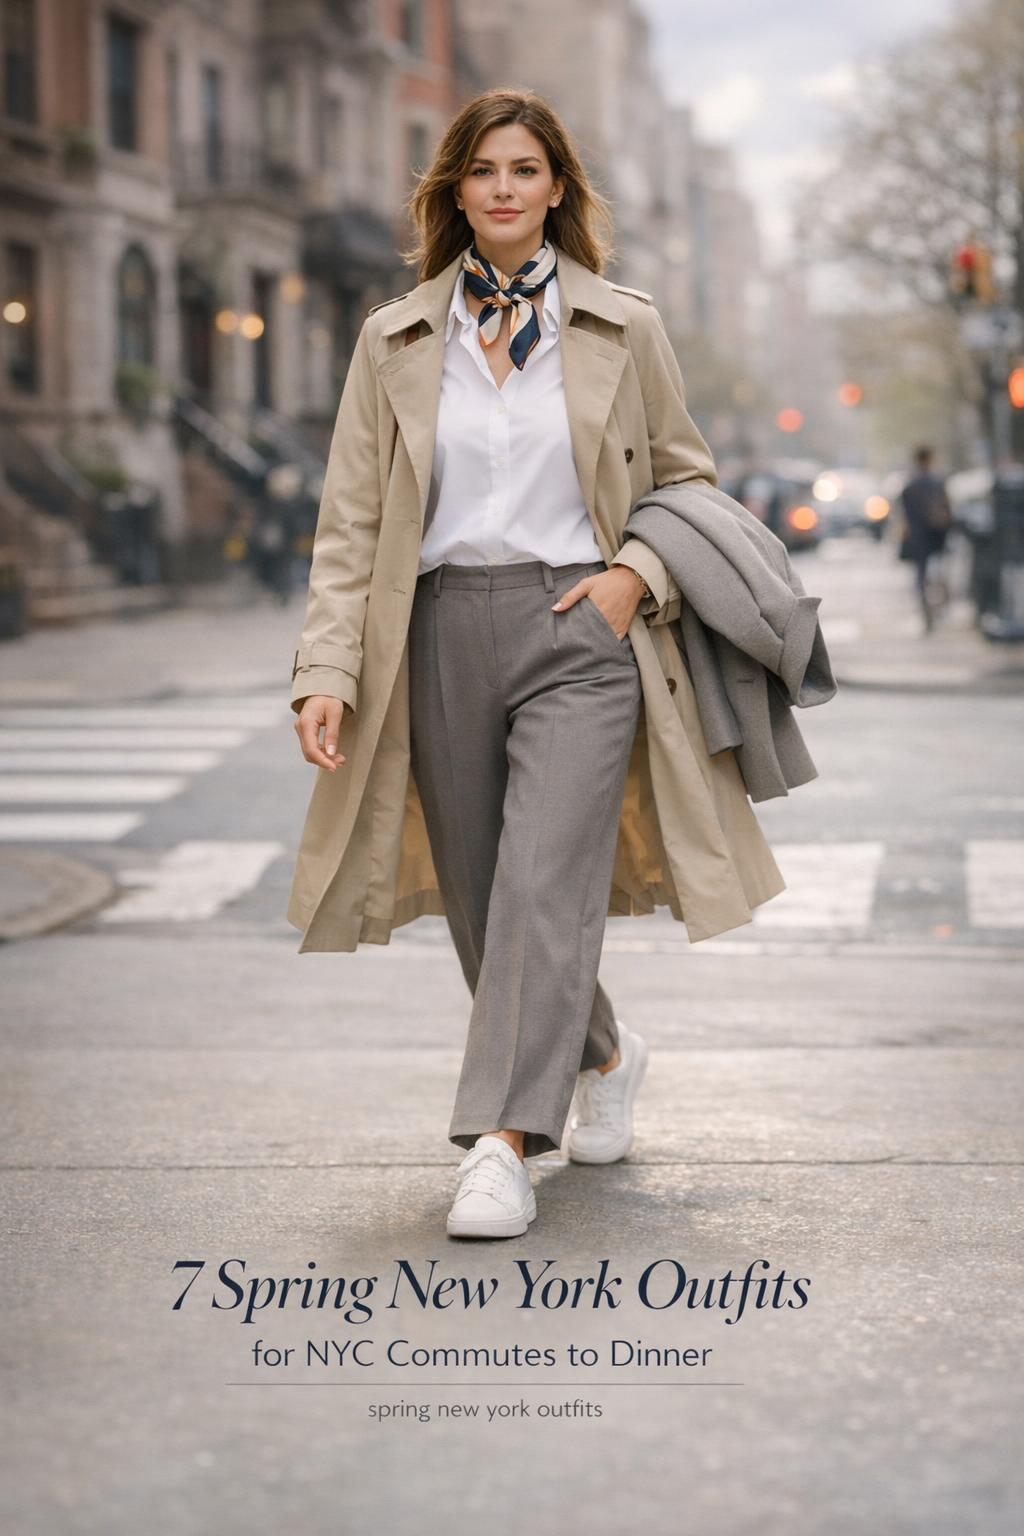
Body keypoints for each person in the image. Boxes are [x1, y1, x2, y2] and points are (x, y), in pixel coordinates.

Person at [290, 89, 728, 1239]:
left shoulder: (622, 328)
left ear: (556, 191)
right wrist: (325, 668)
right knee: (486, 898)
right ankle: (605, 1053)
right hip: (435, 627)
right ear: (453, 191)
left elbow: (685, 479)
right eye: (482, 170)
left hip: (581, 627)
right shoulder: (392, 339)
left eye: (525, 169)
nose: (501, 188)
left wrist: (636, 575)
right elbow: (350, 519)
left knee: (543, 879)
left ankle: (500, 1143)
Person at [899, 446, 953, 631]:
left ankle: (925, 607)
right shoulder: (937, 482)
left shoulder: (909, 485)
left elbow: (904, 514)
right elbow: (947, 509)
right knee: (938, 571)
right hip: (936, 535)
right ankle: (939, 607)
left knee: (921, 574)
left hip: (917, 537)